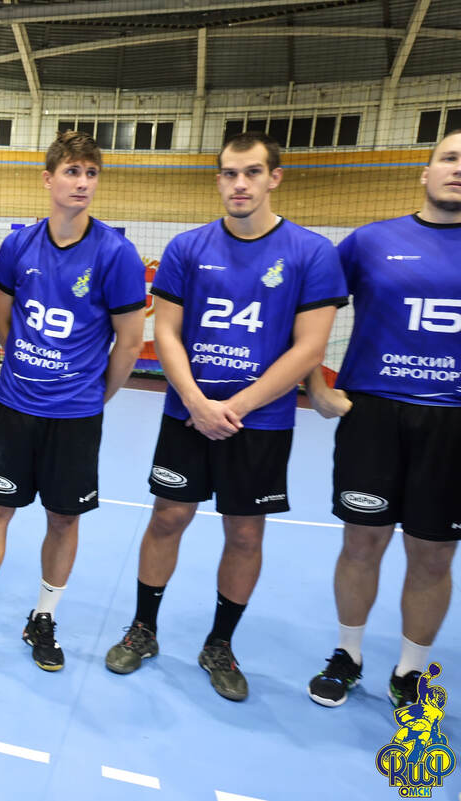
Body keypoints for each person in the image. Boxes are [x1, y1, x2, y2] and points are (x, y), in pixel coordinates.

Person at [102, 131, 347, 701]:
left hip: (259, 424)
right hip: (188, 414)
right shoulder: (187, 248)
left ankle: (219, 644)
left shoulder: (311, 253)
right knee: (168, 517)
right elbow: (166, 332)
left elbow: (309, 348)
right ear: (218, 180)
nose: (240, 184)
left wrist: (234, 407)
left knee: (244, 531)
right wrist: (195, 402)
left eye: (252, 172)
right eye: (230, 173)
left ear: (274, 177)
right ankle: (143, 629)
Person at [0, 131, 145, 672]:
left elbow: (130, 342)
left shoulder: (116, 253)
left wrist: (93, 395)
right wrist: (29, 367)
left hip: (75, 417)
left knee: (63, 519)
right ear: (48, 179)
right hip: (14, 407)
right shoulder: (18, 246)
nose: (82, 182)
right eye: (72, 171)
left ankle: (43, 619)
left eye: (91, 173)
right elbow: (4, 323)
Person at [304, 130, 461, 709]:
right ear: (425, 171)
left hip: (452, 423)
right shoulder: (371, 242)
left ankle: (410, 672)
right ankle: (347, 655)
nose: (458, 169)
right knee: (361, 542)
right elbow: (308, 312)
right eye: (449, 158)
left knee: (433, 554)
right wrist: (316, 386)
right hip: (373, 416)